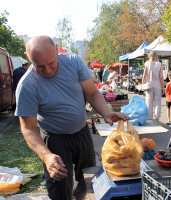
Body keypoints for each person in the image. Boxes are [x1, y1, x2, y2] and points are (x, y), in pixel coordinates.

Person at [15, 35, 129, 200]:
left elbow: (92, 93)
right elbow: (28, 127)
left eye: (51, 63)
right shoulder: (26, 86)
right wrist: (46, 155)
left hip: (81, 132)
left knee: (89, 179)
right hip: (54, 138)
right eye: (39, 66)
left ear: (56, 49)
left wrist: (105, 112)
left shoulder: (73, 62)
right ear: (28, 57)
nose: (47, 70)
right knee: (60, 186)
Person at [142, 51, 164, 125]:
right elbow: (161, 77)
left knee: (149, 102)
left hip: (149, 86)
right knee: (157, 103)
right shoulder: (160, 64)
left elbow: (144, 75)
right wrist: (163, 87)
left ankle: (149, 119)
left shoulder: (147, 64)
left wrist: (142, 84)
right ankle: (157, 120)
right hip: (157, 85)